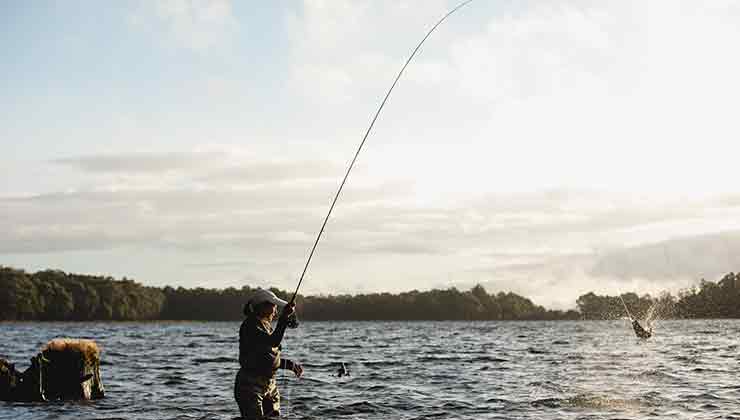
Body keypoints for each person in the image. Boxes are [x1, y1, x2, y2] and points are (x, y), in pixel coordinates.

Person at [234, 288, 303, 419]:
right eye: (274, 307)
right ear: (262, 307)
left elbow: (267, 358)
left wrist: (290, 365)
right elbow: (274, 341)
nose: (276, 311)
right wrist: (283, 318)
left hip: (270, 385)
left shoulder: (266, 326)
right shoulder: (250, 325)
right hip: (250, 386)